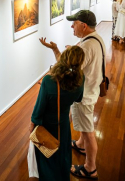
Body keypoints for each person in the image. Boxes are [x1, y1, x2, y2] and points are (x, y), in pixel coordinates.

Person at [39, 10, 104, 180]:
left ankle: (90, 168)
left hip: (85, 95)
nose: (71, 26)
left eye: (74, 23)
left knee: (89, 132)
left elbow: (66, 69)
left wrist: (56, 51)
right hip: (91, 89)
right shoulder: (96, 39)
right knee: (84, 127)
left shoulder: (86, 47)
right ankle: (81, 144)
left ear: (83, 25)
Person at [30, 46, 85, 181]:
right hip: (64, 126)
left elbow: (38, 111)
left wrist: (32, 128)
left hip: (47, 127)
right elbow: (78, 98)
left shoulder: (49, 81)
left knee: (47, 159)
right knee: (63, 155)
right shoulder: (80, 78)